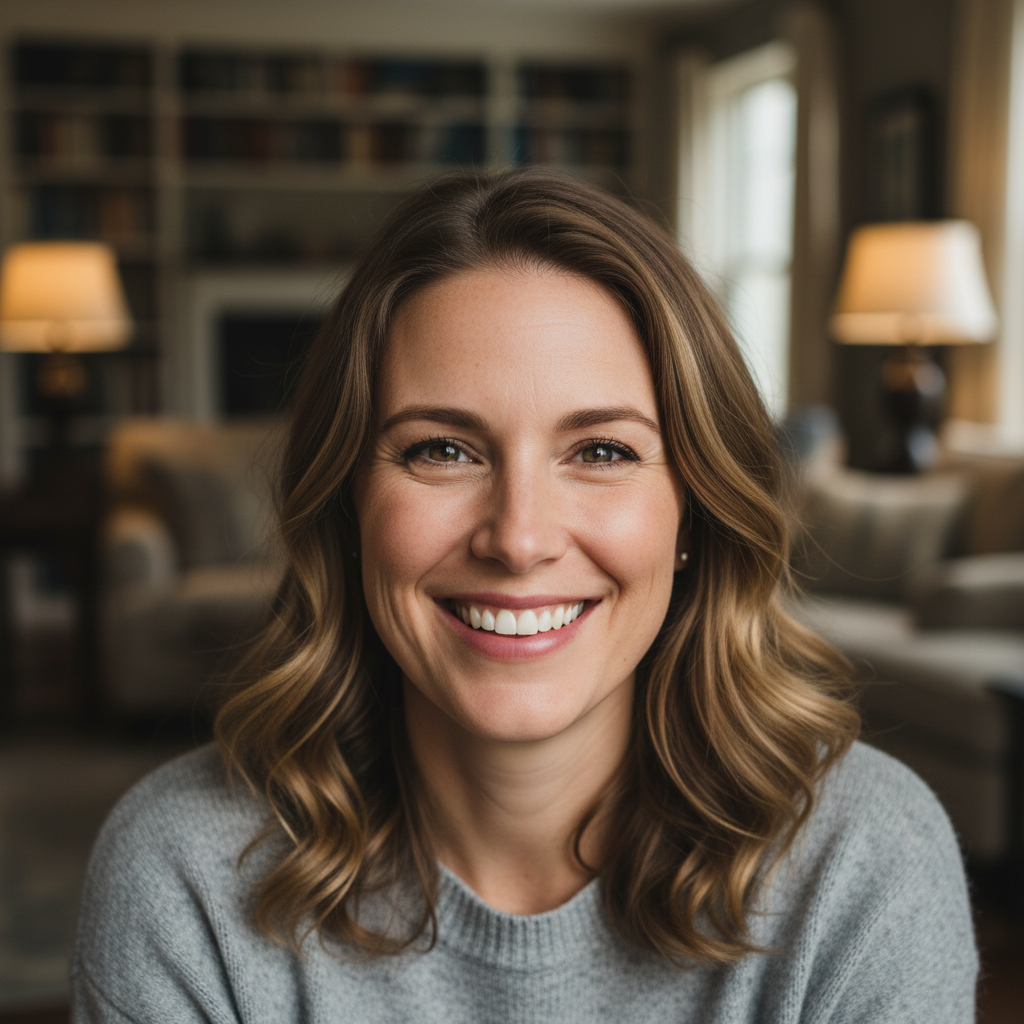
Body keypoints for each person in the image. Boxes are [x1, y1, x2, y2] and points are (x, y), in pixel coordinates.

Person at [72, 170, 977, 1023]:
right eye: (442, 449)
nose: (519, 536)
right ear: (349, 504)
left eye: (602, 452)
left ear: (693, 512)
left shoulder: (864, 862)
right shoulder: (181, 874)